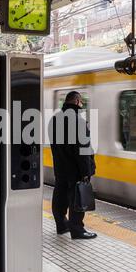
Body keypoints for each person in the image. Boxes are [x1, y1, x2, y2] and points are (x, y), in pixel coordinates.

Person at [49, 91, 97, 239]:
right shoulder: (79, 121)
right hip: (75, 168)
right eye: (81, 102)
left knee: (60, 194)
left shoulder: (54, 119)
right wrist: (86, 171)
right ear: (77, 102)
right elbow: (83, 150)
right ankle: (77, 230)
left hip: (60, 166)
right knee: (77, 197)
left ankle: (62, 225)